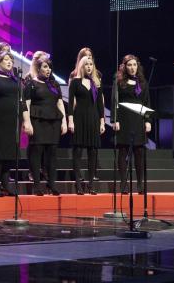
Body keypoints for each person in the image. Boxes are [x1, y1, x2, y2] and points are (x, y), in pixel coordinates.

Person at [0, 50, 27, 197]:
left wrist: (25, 120)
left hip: (12, 122)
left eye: (11, 60)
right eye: (6, 60)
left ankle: (6, 184)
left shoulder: (16, 80)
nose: (9, 62)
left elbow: (22, 101)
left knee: (9, 154)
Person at [23, 54, 66, 196]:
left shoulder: (54, 85)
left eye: (50, 68)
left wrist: (64, 121)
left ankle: (51, 184)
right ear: (38, 68)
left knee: (52, 153)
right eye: (45, 67)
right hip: (38, 121)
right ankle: (37, 185)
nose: (48, 70)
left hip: (53, 121)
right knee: (37, 152)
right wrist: (27, 122)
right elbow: (26, 104)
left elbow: (60, 103)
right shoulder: (31, 84)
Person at [112, 54, 151, 194]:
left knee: (139, 152)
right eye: (129, 65)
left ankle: (140, 184)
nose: (132, 67)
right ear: (124, 66)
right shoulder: (119, 81)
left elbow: (147, 102)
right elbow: (114, 101)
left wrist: (148, 120)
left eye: (134, 65)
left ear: (138, 66)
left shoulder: (143, 82)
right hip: (124, 118)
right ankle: (123, 184)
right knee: (123, 151)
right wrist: (114, 119)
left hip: (138, 119)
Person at [68, 56, 105, 195]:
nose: (89, 67)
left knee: (93, 153)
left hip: (93, 119)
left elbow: (100, 105)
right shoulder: (75, 82)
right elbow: (71, 103)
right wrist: (70, 121)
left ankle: (90, 185)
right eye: (86, 64)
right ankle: (78, 184)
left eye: (91, 64)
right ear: (81, 67)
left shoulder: (96, 83)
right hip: (79, 118)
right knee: (77, 152)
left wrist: (102, 121)